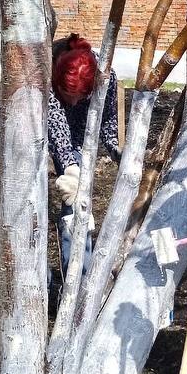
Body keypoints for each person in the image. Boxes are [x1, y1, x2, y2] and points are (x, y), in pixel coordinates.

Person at [48, 33, 121, 278]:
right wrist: (70, 169)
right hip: (42, 139)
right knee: (62, 200)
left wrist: (114, 148)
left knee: (79, 210)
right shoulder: (46, 74)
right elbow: (57, 130)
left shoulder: (104, 77)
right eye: (69, 96)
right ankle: (54, 282)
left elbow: (109, 118)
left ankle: (80, 276)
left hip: (81, 144)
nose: (76, 100)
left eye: (81, 96)